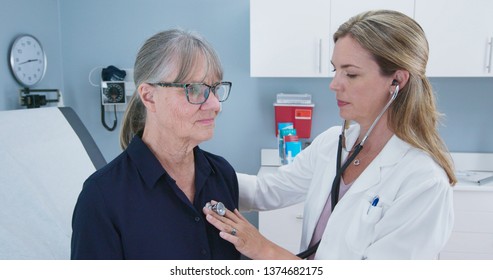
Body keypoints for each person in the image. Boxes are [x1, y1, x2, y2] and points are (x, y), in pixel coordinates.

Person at [203, 9, 457, 260]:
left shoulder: (424, 182)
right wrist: (194, 168)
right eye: (335, 70)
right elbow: (264, 191)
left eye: (351, 73)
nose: (334, 84)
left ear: (397, 81)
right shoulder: (333, 144)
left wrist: (264, 249)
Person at [71, 29, 240, 260]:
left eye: (215, 89)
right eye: (195, 89)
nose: (215, 104)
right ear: (149, 96)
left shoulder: (222, 175)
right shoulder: (102, 197)